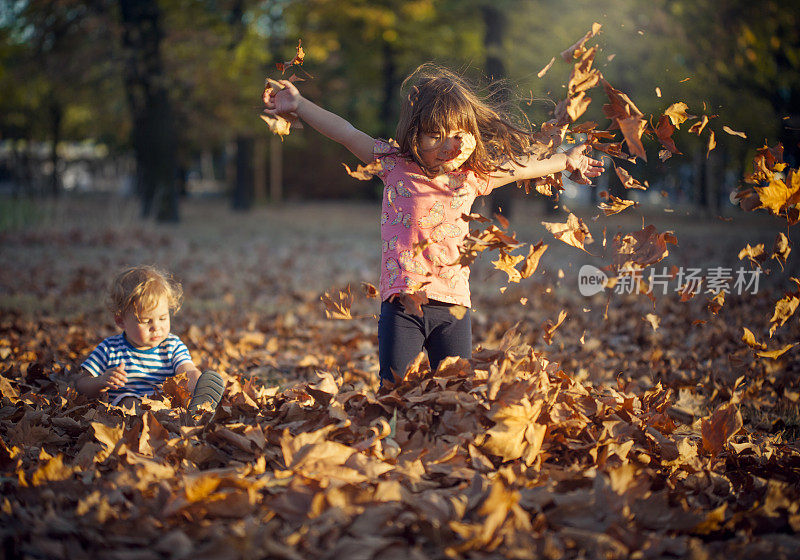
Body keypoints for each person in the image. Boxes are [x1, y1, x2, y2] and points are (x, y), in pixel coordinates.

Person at [263, 64, 605, 386]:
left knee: (456, 394)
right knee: (395, 392)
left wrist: (567, 159)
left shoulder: (472, 178)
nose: (449, 146)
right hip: (402, 305)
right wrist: (300, 105)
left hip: (454, 306)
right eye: (435, 136)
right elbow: (346, 132)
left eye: (459, 135)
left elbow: (523, 167)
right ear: (415, 134)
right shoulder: (393, 165)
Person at [75, 265, 224, 415]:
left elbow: (186, 369)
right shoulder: (110, 348)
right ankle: (160, 417)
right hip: (131, 410)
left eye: (163, 318)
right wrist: (100, 381)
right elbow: (81, 384)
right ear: (121, 321)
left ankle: (202, 402)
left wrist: (196, 381)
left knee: (190, 377)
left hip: (167, 403)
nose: (156, 327)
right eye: (146, 321)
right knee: (128, 401)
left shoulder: (171, 345)